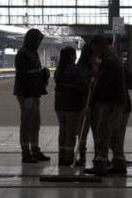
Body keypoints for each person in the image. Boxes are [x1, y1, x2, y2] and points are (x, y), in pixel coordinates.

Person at [84, 35, 125, 176]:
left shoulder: (108, 62)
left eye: (95, 49)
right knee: (114, 134)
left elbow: (101, 86)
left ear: (101, 46)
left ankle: (100, 165)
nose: (94, 53)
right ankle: (119, 164)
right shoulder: (114, 59)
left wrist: (92, 104)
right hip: (117, 102)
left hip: (110, 103)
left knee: (102, 133)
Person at [13, 28, 51, 163]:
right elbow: (22, 76)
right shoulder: (23, 54)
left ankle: (35, 149)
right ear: (31, 39)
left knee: (36, 122)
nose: (39, 43)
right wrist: (28, 95)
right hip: (27, 94)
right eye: (37, 40)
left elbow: (33, 72)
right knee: (27, 122)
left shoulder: (32, 52)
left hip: (34, 93)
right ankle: (25, 152)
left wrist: (43, 74)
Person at [54, 46, 88, 166]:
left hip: (59, 105)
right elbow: (82, 85)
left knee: (62, 131)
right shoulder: (74, 69)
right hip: (72, 105)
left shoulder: (59, 69)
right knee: (71, 132)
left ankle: (61, 157)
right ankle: (69, 157)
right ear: (72, 56)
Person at [106, 44, 132, 175]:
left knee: (113, 135)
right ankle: (118, 158)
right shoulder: (121, 67)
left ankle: (118, 160)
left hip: (114, 105)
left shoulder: (107, 67)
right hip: (123, 105)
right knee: (117, 135)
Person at [75, 43, 96, 166]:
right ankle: (82, 155)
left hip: (94, 104)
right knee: (83, 132)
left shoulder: (94, 66)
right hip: (85, 104)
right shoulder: (81, 68)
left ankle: (98, 155)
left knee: (95, 132)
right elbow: (81, 86)